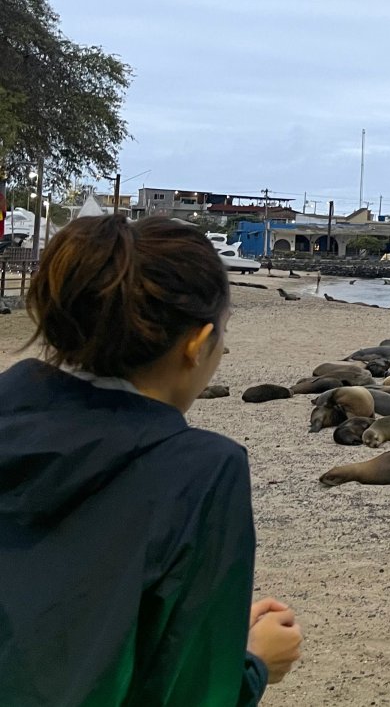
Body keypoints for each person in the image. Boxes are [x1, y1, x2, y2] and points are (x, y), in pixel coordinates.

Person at [0, 215, 302, 705]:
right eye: (222, 334)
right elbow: (191, 691)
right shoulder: (202, 471)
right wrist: (252, 664)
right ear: (197, 345)